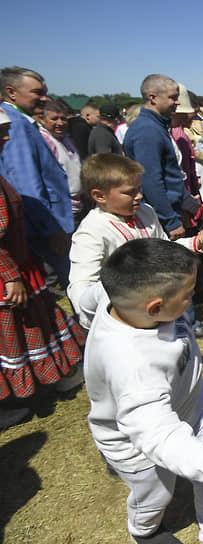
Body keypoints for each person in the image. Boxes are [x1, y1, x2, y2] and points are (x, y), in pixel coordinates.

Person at [83, 238, 203, 544]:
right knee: (156, 493)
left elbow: (87, 299)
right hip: (135, 444)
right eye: (188, 295)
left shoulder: (118, 290)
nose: (193, 297)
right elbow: (162, 438)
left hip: (194, 405)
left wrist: (192, 243)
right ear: (155, 307)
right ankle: (145, 531)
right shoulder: (133, 367)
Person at [0, 108, 85, 429]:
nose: (7, 138)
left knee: (36, 325)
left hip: (20, 266)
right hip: (9, 275)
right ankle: (11, 400)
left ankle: (42, 383)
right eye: (1, 133)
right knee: (16, 333)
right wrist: (10, 276)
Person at [68, 153, 203, 328]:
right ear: (99, 196)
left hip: (159, 309)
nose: (139, 196)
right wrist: (101, 322)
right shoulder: (92, 232)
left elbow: (163, 249)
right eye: (129, 192)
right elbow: (82, 286)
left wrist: (197, 242)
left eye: (139, 189)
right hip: (124, 322)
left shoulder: (145, 212)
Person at [124, 74, 203, 339]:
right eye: (173, 97)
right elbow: (152, 179)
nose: (178, 103)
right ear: (153, 97)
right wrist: (170, 220)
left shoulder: (156, 127)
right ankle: (181, 324)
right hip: (164, 215)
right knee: (172, 273)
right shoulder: (147, 130)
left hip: (175, 209)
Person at [0, 66, 73, 289]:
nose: (44, 98)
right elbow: (26, 182)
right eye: (37, 92)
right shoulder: (16, 125)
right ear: (11, 92)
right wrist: (51, 228)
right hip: (40, 226)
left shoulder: (20, 121)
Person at [37, 100, 85, 227]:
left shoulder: (67, 139)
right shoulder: (43, 141)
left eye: (63, 119)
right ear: (42, 119)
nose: (60, 123)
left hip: (77, 205)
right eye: (54, 119)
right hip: (61, 209)